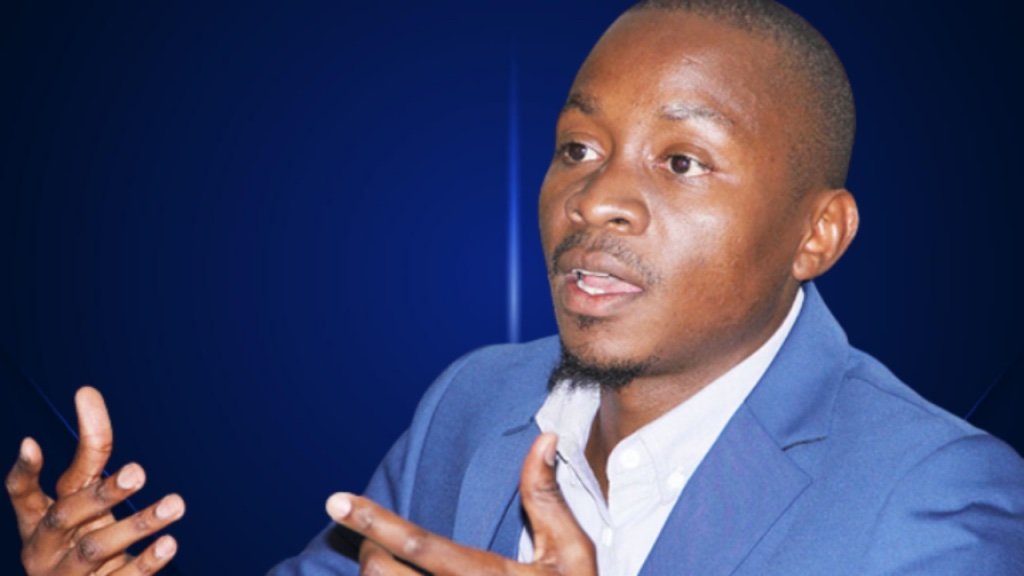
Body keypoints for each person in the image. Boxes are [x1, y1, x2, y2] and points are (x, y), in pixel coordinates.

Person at [9, 1, 1024, 574]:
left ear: (817, 234)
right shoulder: (475, 400)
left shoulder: (940, 504)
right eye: (578, 147)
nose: (596, 198)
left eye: (681, 161)